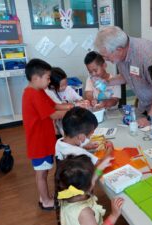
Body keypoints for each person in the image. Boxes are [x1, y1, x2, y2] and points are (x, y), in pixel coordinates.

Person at [94, 26, 152, 127]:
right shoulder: (120, 56)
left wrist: (149, 118)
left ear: (119, 49)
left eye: (106, 56)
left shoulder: (148, 55)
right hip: (144, 108)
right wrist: (107, 82)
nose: (105, 59)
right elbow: (127, 76)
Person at [22, 59, 69, 210]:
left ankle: (43, 196)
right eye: (48, 77)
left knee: (44, 171)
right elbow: (54, 114)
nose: (50, 80)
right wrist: (72, 111)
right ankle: (45, 200)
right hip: (38, 143)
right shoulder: (33, 94)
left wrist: (72, 105)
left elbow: (54, 105)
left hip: (44, 139)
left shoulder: (38, 90)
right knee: (41, 174)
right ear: (36, 78)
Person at [56, 155, 124, 225]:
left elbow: (91, 181)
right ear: (85, 189)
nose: (93, 177)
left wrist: (100, 167)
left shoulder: (68, 193)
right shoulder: (85, 213)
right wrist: (113, 215)